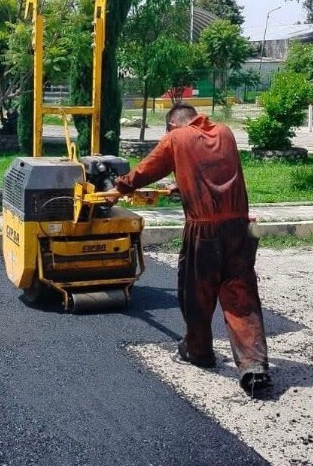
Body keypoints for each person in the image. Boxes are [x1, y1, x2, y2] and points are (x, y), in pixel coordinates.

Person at [114, 103, 271, 396]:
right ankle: (254, 367)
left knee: (195, 293)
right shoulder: (224, 132)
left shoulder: (176, 137)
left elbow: (147, 170)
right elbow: (213, 170)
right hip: (238, 228)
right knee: (241, 294)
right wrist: (182, 185)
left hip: (204, 231)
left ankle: (199, 352)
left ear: (173, 125)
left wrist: (120, 187)